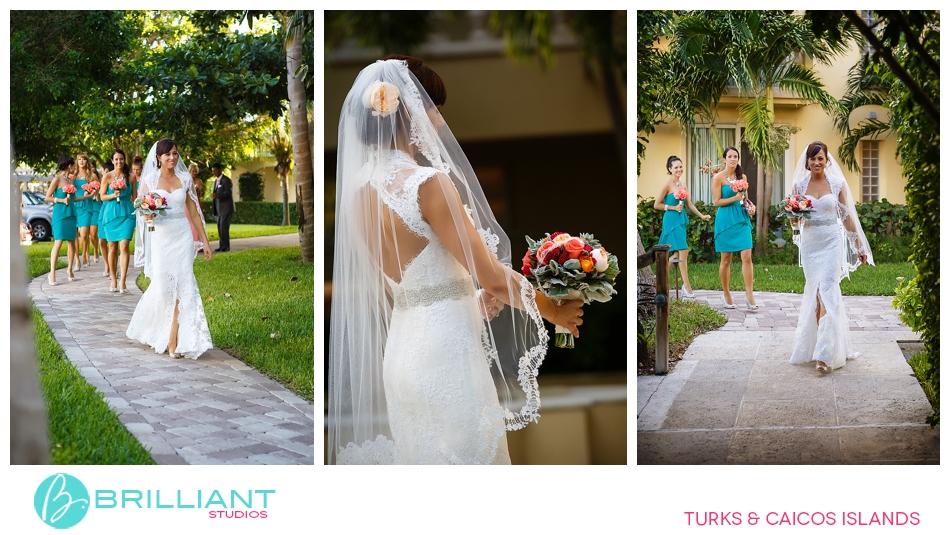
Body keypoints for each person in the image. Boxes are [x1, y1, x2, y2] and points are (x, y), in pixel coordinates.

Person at [327, 56, 584, 465]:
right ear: (409, 111)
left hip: (401, 354)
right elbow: (493, 277)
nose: (440, 124)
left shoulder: (357, 193)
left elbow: (406, 285)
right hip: (445, 356)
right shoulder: (428, 184)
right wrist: (554, 310)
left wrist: (467, 298)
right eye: (434, 111)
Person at [788, 141, 873, 371]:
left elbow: (846, 217)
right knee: (815, 295)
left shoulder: (837, 184)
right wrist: (794, 218)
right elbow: (795, 221)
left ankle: (825, 355)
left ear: (827, 161)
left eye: (821, 158)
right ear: (807, 161)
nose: (817, 162)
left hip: (832, 241)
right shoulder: (798, 186)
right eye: (813, 158)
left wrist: (859, 246)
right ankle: (820, 345)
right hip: (811, 243)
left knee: (827, 290)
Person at [128, 138, 213, 359]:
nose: (172, 158)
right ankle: (156, 328)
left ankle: (174, 338)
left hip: (182, 236)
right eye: (168, 154)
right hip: (161, 238)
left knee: (182, 284)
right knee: (164, 286)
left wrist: (205, 241)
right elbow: (141, 209)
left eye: (175, 153)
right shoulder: (149, 179)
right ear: (158, 157)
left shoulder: (185, 179)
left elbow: (194, 213)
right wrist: (147, 214)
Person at [654, 155, 711, 298]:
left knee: (677, 254)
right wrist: (673, 208)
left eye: (680, 166)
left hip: (681, 219)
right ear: (670, 169)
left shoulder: (683, 184)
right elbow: (657, 204)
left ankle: (658, 279)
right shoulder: (667, 184)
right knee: (683, 251)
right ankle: (686, 286)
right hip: (671, 220)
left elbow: (689, 204)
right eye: (676, 167)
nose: (679, 169)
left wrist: (702, 216)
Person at [712, 146, 757, 310]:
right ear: (724, 159)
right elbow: (717, 202)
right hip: (725, 221)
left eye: (735, 156)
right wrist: (736, 198)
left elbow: (745, 199)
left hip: (741, 219)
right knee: (726, 260)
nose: (733, 159)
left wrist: (750, 207)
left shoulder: (742, 176)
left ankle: (749, 295)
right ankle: (726, 293)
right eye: (730, 156)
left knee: (747, 257)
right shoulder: (718, 178)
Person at [98, 150, 137, 293]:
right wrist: (113, 194)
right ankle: (114, 278)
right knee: (112, 247)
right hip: (111, 213)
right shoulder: (107, 176)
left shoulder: (131, 177)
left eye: (121, 159)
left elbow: (135, 199)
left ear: (124, 160)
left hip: (127, 212)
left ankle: (123, 281)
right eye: (116, 159)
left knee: (125, 246)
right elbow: (102, 196)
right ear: (112, 161)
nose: (119, 162)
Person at [44, 155, 79, 285]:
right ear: (69, 166)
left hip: (71, 213)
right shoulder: (57, 179)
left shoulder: (71, 180)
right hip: (60, 214)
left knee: (72, 243)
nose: (74, 167)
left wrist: (89, 196)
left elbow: (74, 199)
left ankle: (70, 269)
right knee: (58, 242)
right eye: (73, 165)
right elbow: (47, 197)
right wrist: (61, 200)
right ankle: (52, 272)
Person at [72, 154, 99, 270]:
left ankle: (84, 255)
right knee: (74, 235)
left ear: (87, 162)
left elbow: (98, 189)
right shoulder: (72, 176)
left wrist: (92, 193)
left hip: (87, 206)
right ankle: (77, 260)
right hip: (74, 206)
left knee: (83, 234)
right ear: (77, 162)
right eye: (79, 160)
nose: (81, 161)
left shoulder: (92, 176)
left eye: (84, 160)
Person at [210, 162, 234, 252]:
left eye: (215, 170)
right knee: (220, 228)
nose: (214, 172)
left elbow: (228, 193)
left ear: (220, 170)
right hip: (219, 209)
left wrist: (217, 195)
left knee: (224, 228)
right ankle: (221, 246)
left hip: (226, 209)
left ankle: (226, 247)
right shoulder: (216, 181)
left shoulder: (226, 180)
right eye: (212, 171)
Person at [97, 160, 114, 276]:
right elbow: (100, 198)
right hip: (103, 210)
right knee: (101, 241)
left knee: (112, 242)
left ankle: (112, 266)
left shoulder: (113, 180)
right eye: (104, 171)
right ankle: (107, 264)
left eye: (108, 171)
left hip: (111, 210)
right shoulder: (102, 181)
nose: (106, 173)